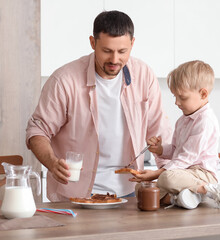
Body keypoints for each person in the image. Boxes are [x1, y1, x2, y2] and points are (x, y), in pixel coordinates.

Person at [26, 10, 172, 202]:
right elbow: (37, 130)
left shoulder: (144, 75)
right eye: (106, 51)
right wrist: (52, 163)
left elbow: (160, 132)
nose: (114, 60)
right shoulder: (64, 80)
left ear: (132, 44)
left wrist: (167, 176)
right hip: (76, 195)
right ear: (93, 43)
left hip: (130, 192)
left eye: (122, 51)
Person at [130, 60, 220, 210]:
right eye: (175, 97)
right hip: (184, 174)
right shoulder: (182, 121)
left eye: (182, 97)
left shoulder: (205, 120)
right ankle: (181, 198)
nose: (177, 102)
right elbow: (177, 150)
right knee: (141, 188)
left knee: (166, 178)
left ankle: (211, 190)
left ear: (203, 94)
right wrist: (160, 149)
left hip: (202, 175)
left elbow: (187, 157)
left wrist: (155, 174)